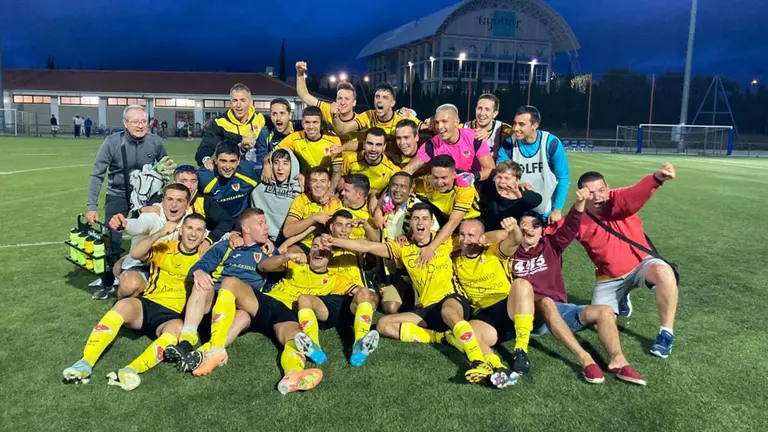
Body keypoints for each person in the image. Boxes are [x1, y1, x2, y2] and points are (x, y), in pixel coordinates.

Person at [324, 204, 490, 384]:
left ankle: (477, 360)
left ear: (431, 222)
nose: (420, 222)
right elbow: (368, 246)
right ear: (410, 222)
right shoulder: (403, 248)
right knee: (383, 325)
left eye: (425, 218)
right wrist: (334, 241)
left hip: (451, 300)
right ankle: (443, 337)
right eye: (416, 218)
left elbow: (486, 237)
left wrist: (491, 236)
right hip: (426, 308)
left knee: (448, 312)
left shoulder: (446, 242)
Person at [513, 188, 647, 385]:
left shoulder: (551, 245)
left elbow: (571, 226)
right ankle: (585, 359)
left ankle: (618, 360)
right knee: (547, 302)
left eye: (535, 225)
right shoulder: (509, 250)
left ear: (542, 230)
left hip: (558, 312)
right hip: (529, 314)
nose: (529, 229)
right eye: (523, 225)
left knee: (605, 311)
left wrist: (579, 204)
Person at [62, 215, 207, 390]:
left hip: (172, 316)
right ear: (181, 230)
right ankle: (85, 363)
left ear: (204, 235)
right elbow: (135, 254)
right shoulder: (166, 248)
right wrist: (160, 233)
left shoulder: (205, 258)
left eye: (198, 230)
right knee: (122, 305)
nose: (193, 234)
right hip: (147, 304)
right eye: (190, 228)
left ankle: (131, 370)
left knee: (176, 329)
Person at [576, 164, 679, 358]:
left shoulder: (617, 198)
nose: (597, 196)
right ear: (581, 193)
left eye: (601, 190)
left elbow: (635, 194)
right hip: (610, 277)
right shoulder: (577, 218)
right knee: (600, 322)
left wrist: (656, 178)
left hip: (642, 264)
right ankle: (621, 298)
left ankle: (666, 333)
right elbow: (555, 235)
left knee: (665, 272)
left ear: (607, 187)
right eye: (590, 193)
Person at [164, 208, 275, 372]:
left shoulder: (269, 251)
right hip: (215, 302)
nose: (267, 228)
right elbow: (198, 267)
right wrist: (199, 272)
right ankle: (186, 341)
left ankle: (205, 351)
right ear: (246, 229)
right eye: (261, 223)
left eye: (265, 223)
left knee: (244, 316)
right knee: (201, 283)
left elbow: (281, 272)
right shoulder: (226, 246)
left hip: (242, 306)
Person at [86, 105, 168, 299]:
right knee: (112, 239)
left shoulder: (156, 142)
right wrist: (91, 206)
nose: (140, 126)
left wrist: (158, 201)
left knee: (151, 235)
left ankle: (150, 278)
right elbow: (97, 174)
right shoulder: (112, 142)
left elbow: (166, 172)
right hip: (118, 195)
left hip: (147, 197)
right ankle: (107, 282)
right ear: (125, 123)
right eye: (135, 122)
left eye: (144, 121)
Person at [291, 210, 380, 367]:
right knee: (303, 299)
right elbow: (293, 248)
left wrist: (366, 225)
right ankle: (313, 345)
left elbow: (375, 245)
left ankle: (360, 343)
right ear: (331, 226)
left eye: (347, 226)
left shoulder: (357, 246)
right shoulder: (323, 245)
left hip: (354, 298)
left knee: (366, 293)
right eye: (339, 225)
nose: (344, 230)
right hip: (328, 298)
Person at [453, 217, 534, 386]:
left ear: (482, 237)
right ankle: (495, 365)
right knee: (469, 332)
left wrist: (513, 229)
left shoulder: (494, 251)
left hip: (508, 307)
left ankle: (521, 350)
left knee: (522, 284)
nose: (465, 240)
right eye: (462, 234)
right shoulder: (454, 257)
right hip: (484, 317)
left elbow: (515, 240)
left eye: (471, 235)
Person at [108, 184, 192, 299]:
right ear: (163, 201)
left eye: (180, 201)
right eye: (170, 199)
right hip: (144, 266)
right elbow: (139, 225)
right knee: (129, 286)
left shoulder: (191, 220)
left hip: (171, 270)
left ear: (187, 204)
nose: (174, 205)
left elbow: (207, 235)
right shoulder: (153, 215)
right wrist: (124, 224)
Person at [132, 165, 235, 256]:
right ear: (173, 183)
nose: (189, 186)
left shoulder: (205, 201)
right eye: (183, 181)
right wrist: (141, 210)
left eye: (193, 181)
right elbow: (137, 221)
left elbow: (227, 221)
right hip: (159, 251)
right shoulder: (161, 199)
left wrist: (209, 240)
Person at [374, 172, 439, 314]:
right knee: (389, 307)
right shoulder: (386, 207)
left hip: (420, 269)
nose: (398, 190)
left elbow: (434, 235)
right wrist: (377, 212)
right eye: (395, 185)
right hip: (397, 271)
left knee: (425, 310)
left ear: (410, 190)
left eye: (403, 186)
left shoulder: (418, 209)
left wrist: (411, 239)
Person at [496, 105, 570, 222]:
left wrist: (557, 210)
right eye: (514, 123)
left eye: (521, 124)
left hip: (545, 212)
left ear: (535, 125)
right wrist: (517, 184)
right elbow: (497, 175)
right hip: (517, 211)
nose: (515, 128)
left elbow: (563, 178)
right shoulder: (509, 144)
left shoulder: (551, 143)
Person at [411, 155, 481, 266]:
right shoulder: (425, 182)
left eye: (444, 178)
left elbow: (453, 222)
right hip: (443, 217)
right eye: (435, 177)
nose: (439, 183)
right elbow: (402, 185)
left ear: (454, 175)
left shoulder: (465, 189)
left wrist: (431, 248)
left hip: (468, 221)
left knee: (441, 250)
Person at [402, 104, 494, 183]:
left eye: (444, 121)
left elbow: (491, 169)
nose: (439, 127)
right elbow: (408, 170)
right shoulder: (431, 145)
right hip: (445, 191)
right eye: (437, 122)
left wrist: (473, 177)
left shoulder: (475, 138)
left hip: (474, 186)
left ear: (456, 122)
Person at [262, 106, 341, 181]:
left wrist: (330, 192)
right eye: (307, 122)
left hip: (326, 183)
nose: (311, 126)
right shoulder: (294, 138)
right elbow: (272, 153)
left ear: (321, 123)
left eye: (315, 122)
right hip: (305, 183)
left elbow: (337, 172)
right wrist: (266, 164)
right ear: (302, 123)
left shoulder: (333, 140)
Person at [195, 83, 267, 166]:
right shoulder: (220, 123)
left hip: (257, 172)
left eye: (243, 100)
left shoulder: (262, 119)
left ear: (250, 102)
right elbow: (204, 148)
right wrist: (206, 159)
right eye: (235, 100)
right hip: (230, 172)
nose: (238, 105)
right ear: (230, 103)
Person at [331, 83, 417, 147]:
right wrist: (334, 116)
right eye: (377, 97)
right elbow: (342, 130)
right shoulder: (368, 115)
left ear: (392, 103)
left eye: (385, 98)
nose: (379, 100)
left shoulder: (403, 118)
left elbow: (425, 128)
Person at [295, 61, 360, 144]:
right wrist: (300, 74)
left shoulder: (361, 121)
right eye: (340, 98)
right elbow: (304, 95)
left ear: (354, 102)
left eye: (347, 99)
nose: (342, 102)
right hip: (329, 154)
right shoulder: (328, 109)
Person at [282, 167, 343, 253]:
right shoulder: (301, 199)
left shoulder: (335, 202)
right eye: (314, 181)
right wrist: (314, 218)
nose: (318, 185)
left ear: (329, 184)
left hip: (328, 245)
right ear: (309, 184)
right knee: (288, 255)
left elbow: (340, 234)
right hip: (305, 243)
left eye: (323, 181)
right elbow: (287, 231)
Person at [250, 149, 303, 242]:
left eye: (285, 163)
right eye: (276, 163)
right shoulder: (260, 186)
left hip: (291, 240)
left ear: (292, 166)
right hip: (262, 239)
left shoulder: (301, 189)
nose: (280, 168)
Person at [198, 139, 260, 218]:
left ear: (238, 161)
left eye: (232, 161)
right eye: (223, 161)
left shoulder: (249, 172)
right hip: (214, 225)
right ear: (215, 160)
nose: (228, 167)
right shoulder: (204, 177)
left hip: (241, 223)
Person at [335, 127, 400, 195]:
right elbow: (341, 178)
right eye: (370, 143)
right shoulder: (350, 159)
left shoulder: (392, 170)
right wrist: (342, 192)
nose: (373, 149)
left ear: (384, 147)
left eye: (378, 145)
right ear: (364, 144)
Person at [482, 160, 543, 231]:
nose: (502, 181)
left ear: (517, 180)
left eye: (507, 178)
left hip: (513, 236)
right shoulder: (489, 189)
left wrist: (519, 196)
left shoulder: (520, 195)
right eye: (499, 177)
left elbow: (538, 199)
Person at [249, 98, 298, 176]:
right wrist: (266, 164)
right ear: (271, 116)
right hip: (273, 176)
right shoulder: (265, 133)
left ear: (290, 115)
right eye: (274, 114)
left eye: (282, 113)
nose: (278, 118)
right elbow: (260, 161)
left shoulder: (298, 132)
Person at [464, 93, 514, 159]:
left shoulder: (506, 131)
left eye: (487, 109)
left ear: (495, 114)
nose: (482, 113)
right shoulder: (463, 128)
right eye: (479, 108)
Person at [338, 174, 378, 241]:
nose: (342, 193)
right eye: (343, 189)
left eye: (346, 190)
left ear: (359, 194)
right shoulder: (335, 204)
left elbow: (376, 242)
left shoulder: (372, 211)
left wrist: (366, 225)